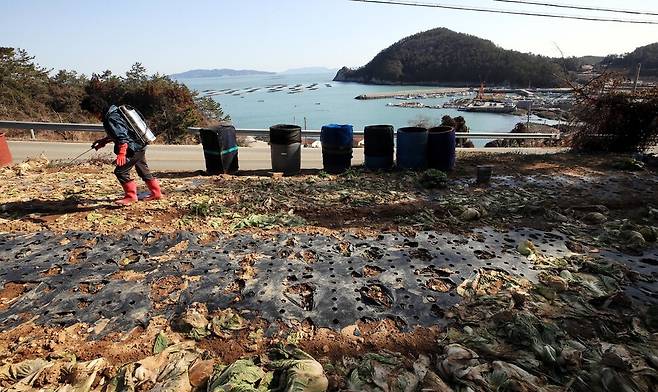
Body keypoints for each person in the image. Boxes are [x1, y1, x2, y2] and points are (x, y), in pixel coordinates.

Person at [83, 96, 162, 205]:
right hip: (140, 145)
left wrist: (121, 153)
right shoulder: (115, 111)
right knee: (142, 169)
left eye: (91, 113)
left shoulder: (111, 118)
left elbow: (122, 137)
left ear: (96, 110)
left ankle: (131, 196)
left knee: (121, 172)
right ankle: (156, 193)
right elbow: (121, 132)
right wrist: (104, 141)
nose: (92, 116)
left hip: (133, 148)